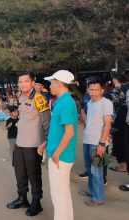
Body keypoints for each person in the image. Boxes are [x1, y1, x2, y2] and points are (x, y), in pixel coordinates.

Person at [6, 72, 50, 217]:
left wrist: (46, 141)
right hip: (19, 142)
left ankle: (36, 203)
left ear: (32, 82)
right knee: (20, 172)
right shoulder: (19, 97)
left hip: (33, 144)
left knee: (34, 174)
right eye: (20, 82)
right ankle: (22, 198)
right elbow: (21, 115)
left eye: (26, 81)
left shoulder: (39, 98)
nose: (23, 84)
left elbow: (46, 121)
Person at [40, 70, 77, 220]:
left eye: (51, 83)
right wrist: (46, 143)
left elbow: (70, 132)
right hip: (60, 154)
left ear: (59, 83)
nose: (49, 86)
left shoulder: (66, 102)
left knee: (58, 195)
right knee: (63, 193)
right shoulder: (62, 101)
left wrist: (56, 153)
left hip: (60, 156)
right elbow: (58, 130)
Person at [79, 79, 113, 207]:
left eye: (96, 89)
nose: (93, 92)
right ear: (87, 90)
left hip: (97, 143)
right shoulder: (90, 103)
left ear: (102, 91)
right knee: (89, 169)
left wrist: (102, 144)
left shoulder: (106, 103)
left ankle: (99, 198)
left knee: (96, 171)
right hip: (87, 140)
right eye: (91, 89)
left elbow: (108, 124)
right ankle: (91, 191)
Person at [110, 75, 128, 173]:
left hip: (120, 118)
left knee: (118, 142)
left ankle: (122, 166)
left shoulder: (118, 90)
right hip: (125, 119)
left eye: (114, 82)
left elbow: (114, 103)